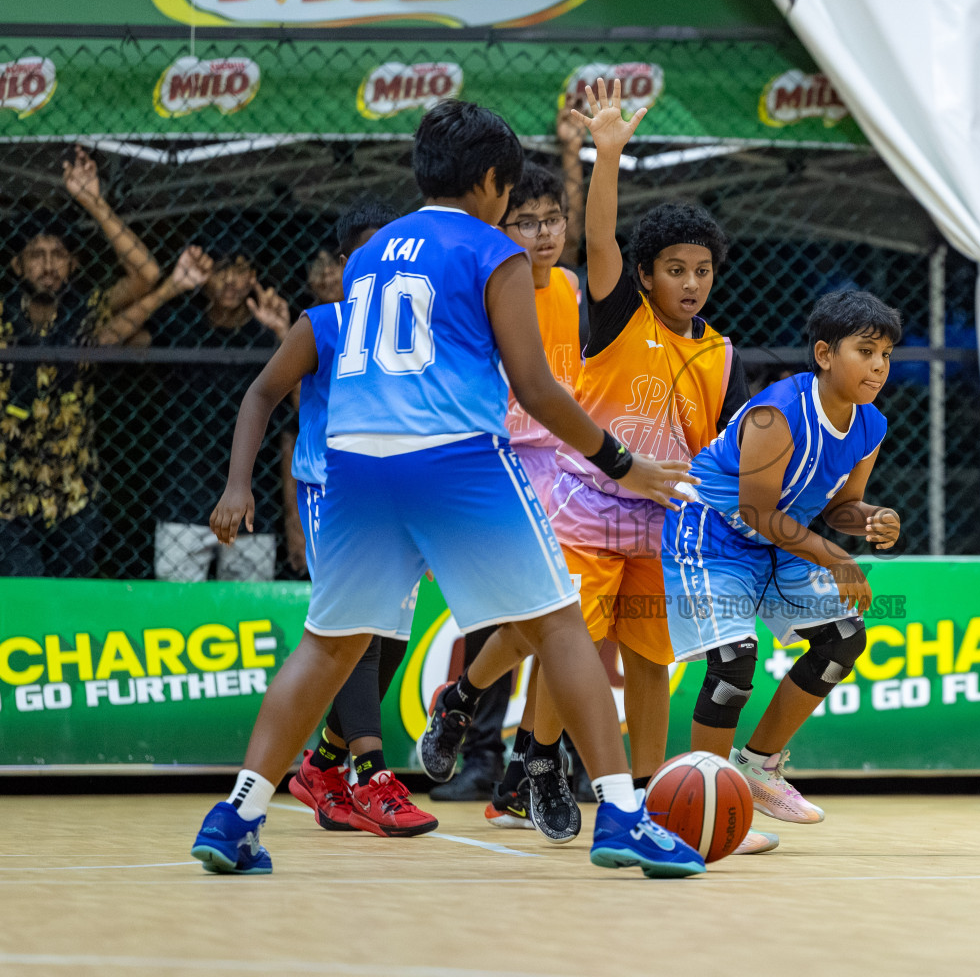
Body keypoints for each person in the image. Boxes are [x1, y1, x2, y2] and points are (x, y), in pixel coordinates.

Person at [189, 99, 705, 878]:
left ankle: (236, 814)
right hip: (454, 458)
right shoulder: (493, 250)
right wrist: (620, 462)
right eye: (510, 190)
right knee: (560, 626)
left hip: (356, 465)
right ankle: (623, 817)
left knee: (328, 645)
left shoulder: (371, 254)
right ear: (493, 180)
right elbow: (534, 387)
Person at [418, 80, 749, 846]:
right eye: (675, 269)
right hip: (567, 486)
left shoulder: (717, 352)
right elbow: (603, 237)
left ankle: (647, 795)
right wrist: (607, 154)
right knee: (556, 634)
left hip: (653, 512)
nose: (690, 283)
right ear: (644, 275)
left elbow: (723, 450)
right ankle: (529, 752)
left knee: (644, 657)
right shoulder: (595, 305)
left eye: (702, 270)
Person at [662, 289, 902, 833]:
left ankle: (756, 768)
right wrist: (835, 557)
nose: (879, 366)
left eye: (886, 354)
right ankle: (705, 808)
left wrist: (871, 518)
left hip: (775, 542)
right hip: (711, 533)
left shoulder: (870, 425)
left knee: (842, 637)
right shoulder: (778, 414)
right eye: (865, 351)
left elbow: (840, 508)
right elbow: (757, 510)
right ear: (824, 354)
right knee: (733, 663)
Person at [280, 196, 439, 838]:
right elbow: (261, 394)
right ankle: (372, 778)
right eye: (369, 254)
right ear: (344, 265)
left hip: (395, 494)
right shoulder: (324, 324)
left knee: (392, 640)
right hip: (333, 490)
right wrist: (238, 486)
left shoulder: (416, 330)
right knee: (361, 635)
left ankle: (321, 765)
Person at [433, 156, 586, 807]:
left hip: (568, 470)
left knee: (566, 617)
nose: (544, 233)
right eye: (527, 221)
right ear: (501, 226)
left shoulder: (574, 288)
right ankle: (481, 747)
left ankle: (537, 760)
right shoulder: (489, 286)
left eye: (553, 219)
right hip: (501, 462)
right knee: (505, 618)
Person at [0, 150, 161, 577]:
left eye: (58, 254)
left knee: (70, 603)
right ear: (17, 265)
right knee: (24, 596)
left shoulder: (86, 312)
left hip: (73, 495)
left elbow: (146, 275)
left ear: (73, 263)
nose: (48, 265)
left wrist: (93, 202)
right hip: (3, 495)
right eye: (36, 255)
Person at [141, 227, 295, 581]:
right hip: (184, 499)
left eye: (240, 269)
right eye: (221, 269)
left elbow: (306, 406)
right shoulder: (181, 325)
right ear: (204, 274)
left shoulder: (268, 335)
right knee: (176, 611)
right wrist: (170, 288)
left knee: (249, 611)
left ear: (253, 276)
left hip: (253, 504)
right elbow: (108, 339)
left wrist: (285, 335)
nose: (230, 280)